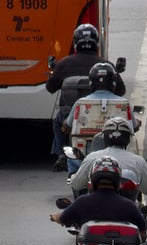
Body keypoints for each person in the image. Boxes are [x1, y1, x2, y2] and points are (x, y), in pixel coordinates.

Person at [46, 24, 126, 171]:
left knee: (58, 121)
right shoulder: (106, 65)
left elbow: (50, 88)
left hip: (71, 114)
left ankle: (61, 154)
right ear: (96, 43)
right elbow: (121, 90)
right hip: (103, 114)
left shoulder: (64, 64)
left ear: (76, 43)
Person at [70, 116, 147, 198]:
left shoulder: (92, 157)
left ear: (104, 137)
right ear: (128, 138)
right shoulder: (138, 161)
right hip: (127, 211)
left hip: (96, 210)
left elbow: (76, 185)